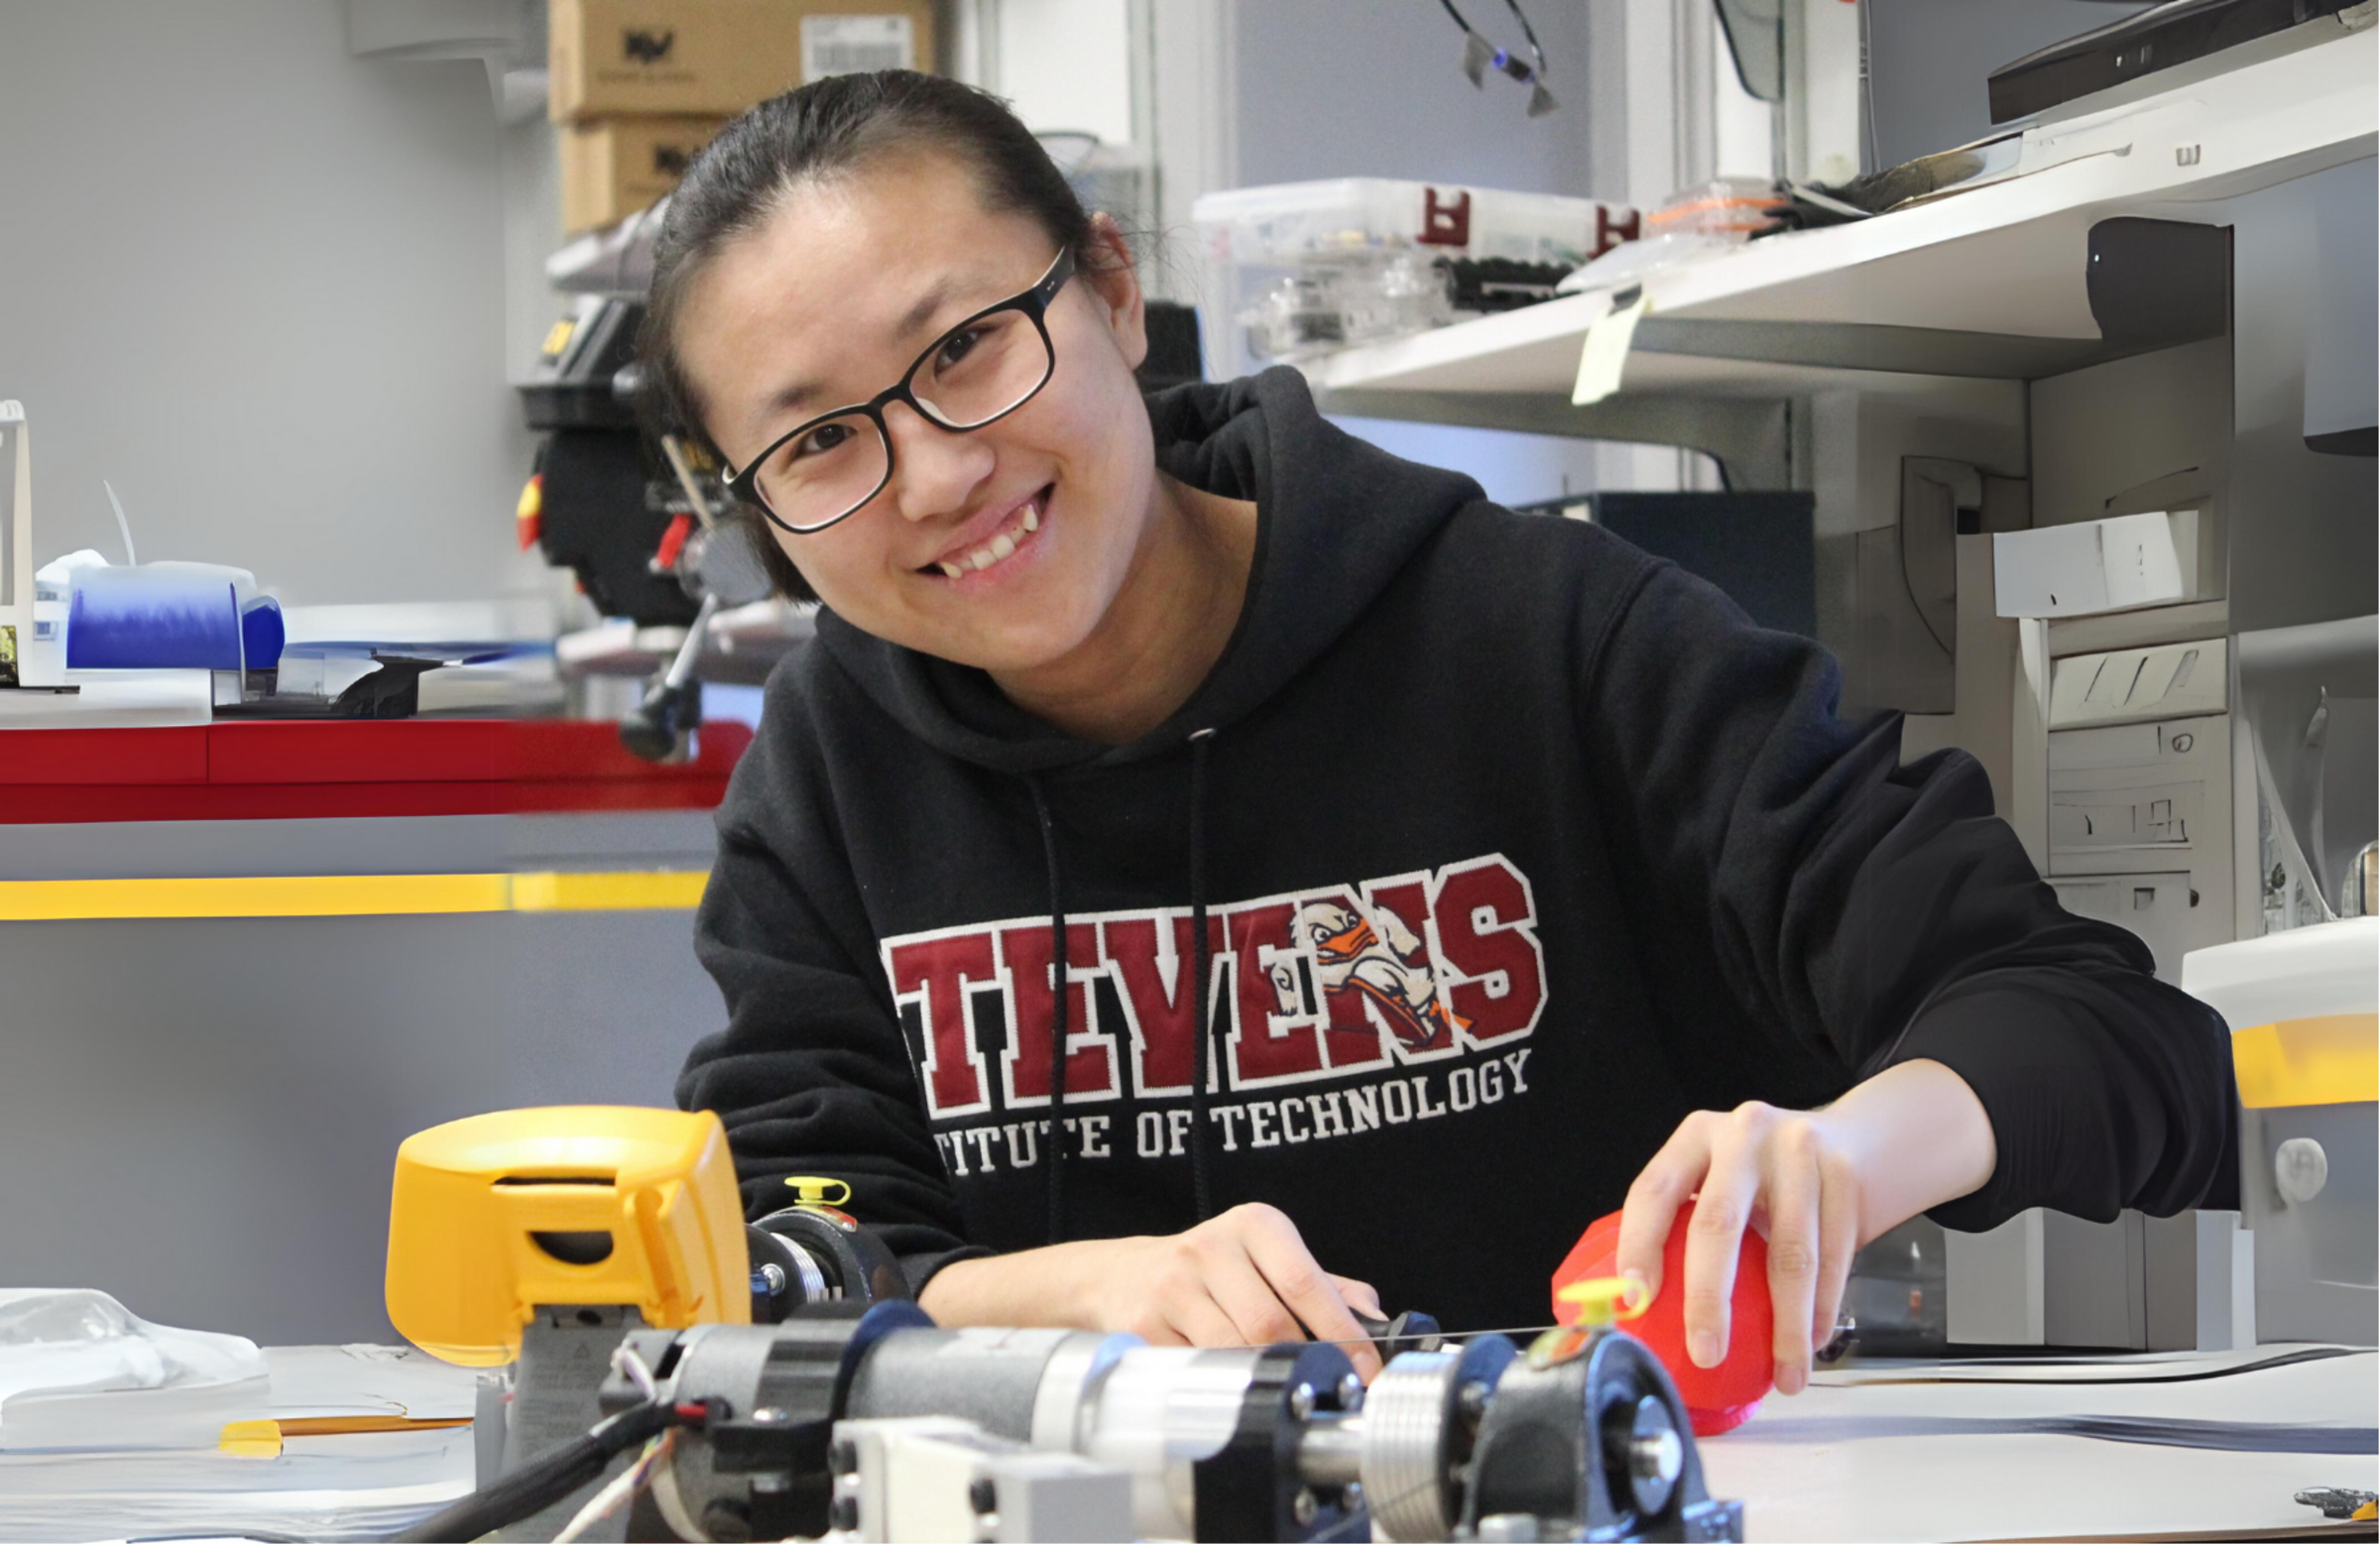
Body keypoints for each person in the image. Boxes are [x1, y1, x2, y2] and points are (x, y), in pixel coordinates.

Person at [651, 70, 2233, 1393]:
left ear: (1116, 292)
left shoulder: (1543, 636)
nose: (932, 477)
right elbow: (783, 1262)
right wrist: (1084, 1292)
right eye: (819, 441)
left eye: (965, 349)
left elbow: (2105, 1032)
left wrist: (1845, 1154)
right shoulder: (829, 772)